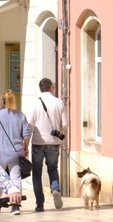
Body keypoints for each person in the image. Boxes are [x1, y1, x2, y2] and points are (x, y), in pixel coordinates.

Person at [0, 89, 31, 215]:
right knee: (15, 179)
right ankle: (15, 205)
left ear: (2, 100)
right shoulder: (21, 116)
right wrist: (25, 148)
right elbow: (26, 135)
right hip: (15, 154)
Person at [27, 78, 68, 212]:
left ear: (40, 88)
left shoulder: (35, 104)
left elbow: (30, 125)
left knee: (37, 173)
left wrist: (25, 144)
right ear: (51, 87)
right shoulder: (59, 103)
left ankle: (40, 204)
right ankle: (55, 189)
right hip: (53, 142)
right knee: (52, 168)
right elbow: (65, 125)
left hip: (38, 142)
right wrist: (58, 130)